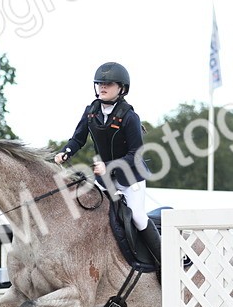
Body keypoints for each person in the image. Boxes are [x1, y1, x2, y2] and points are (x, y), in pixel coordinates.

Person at [53, 61, 160, 267]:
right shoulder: (91, 111)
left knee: (137, 217)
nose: (103, 87)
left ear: (121, 88)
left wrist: (109, 166)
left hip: (130, 178)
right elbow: (78, 139)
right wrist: (65, 152)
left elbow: (136, 154)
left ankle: (164, 259)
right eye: (100, 83)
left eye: (108, 84)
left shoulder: (130, 117)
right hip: (104, 178)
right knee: (89, 210)